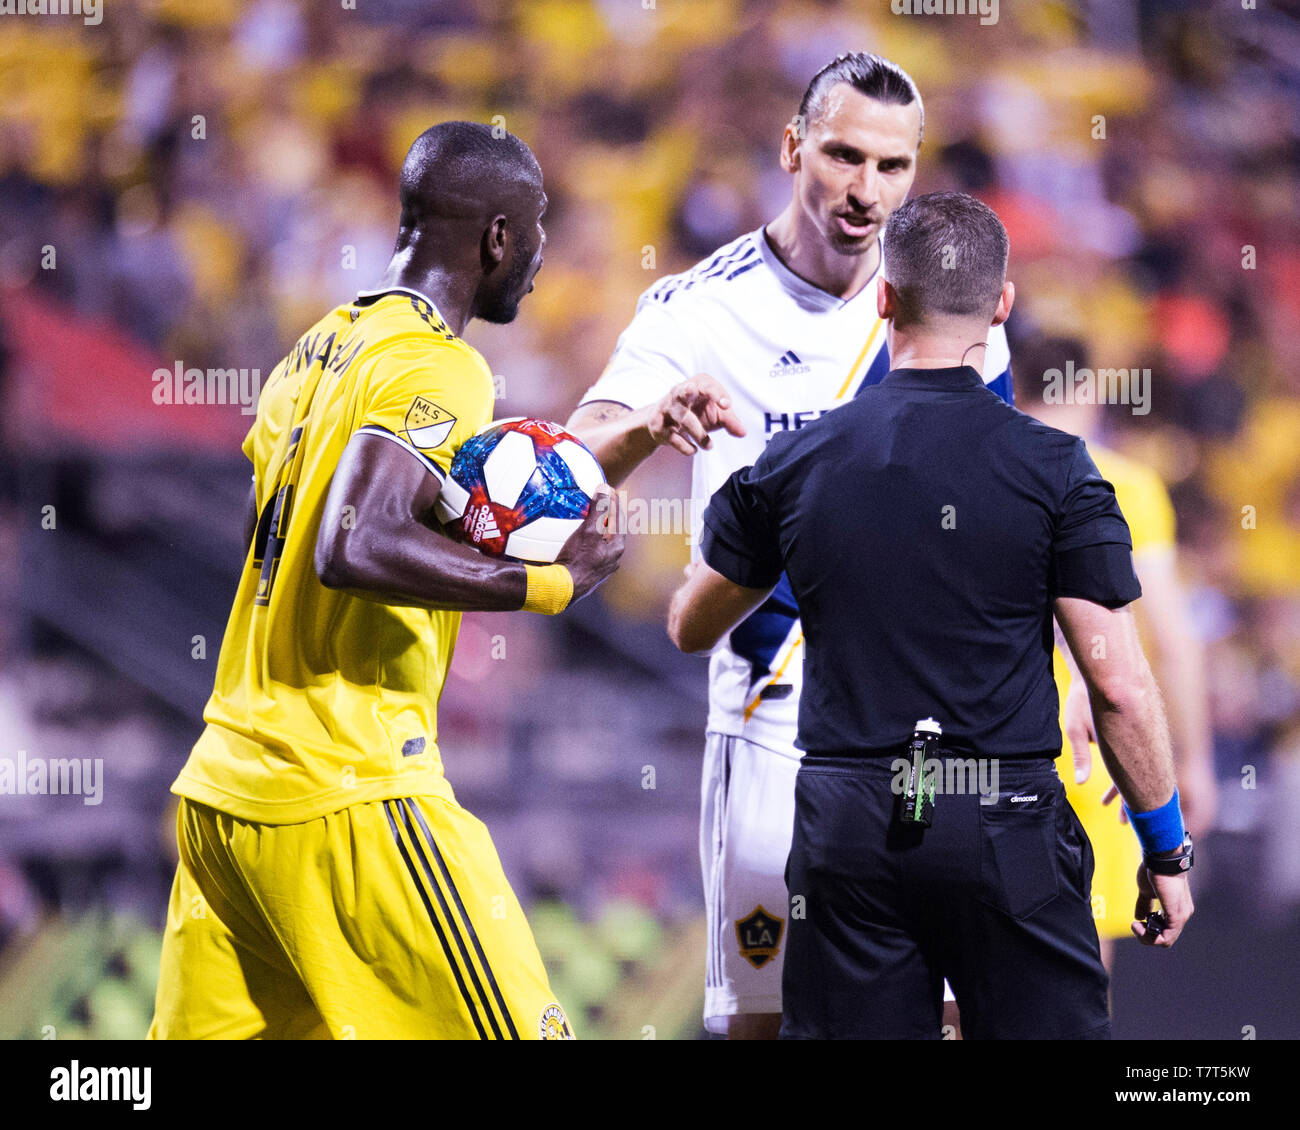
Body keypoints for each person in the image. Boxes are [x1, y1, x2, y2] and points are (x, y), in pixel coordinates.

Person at [667, 192, 1194, 1040]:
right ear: (1002, 306)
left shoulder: (798, 462)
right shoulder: (1060, 469)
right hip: (1006, 814)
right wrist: (1165, 849)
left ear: (883, 297)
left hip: (849, 825)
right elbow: (1120, 684)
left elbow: (694, 627)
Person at [565, 52, 1012, 1040]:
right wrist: (651, 421)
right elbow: (572, 453)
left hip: (926, 729)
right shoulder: (699, 307)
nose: (865, 191)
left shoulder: (946, 304)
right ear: (791, 147)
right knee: (758, 1022)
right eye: (843, 155)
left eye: (891, 167)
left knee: (950, 1019)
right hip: (777, 718)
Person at [148, 122, 623, 1040]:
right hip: (347, 787)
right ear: (496, 238)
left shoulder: (315, 352)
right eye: (536, 229)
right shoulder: (439, 362)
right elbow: (352, 542)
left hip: (227, 795)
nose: (539, 255)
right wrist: (549, 585)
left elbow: (273, 545)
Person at [1015, 335, 1215, 975]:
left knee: (967, 964)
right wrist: (1194, 764)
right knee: (1078, 958)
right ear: (1091, 389)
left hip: (982, 741)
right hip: (1095, 749)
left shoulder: (982, 473)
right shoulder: (1126, 482)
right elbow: (1177, 642)